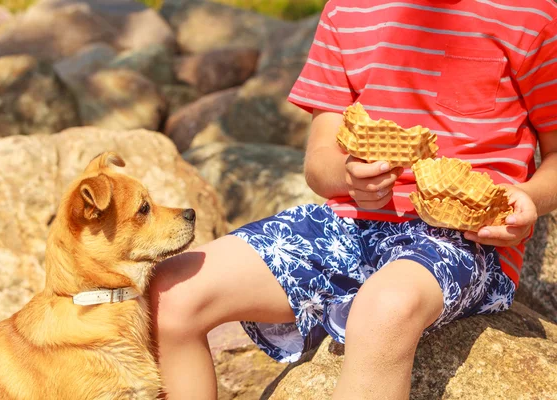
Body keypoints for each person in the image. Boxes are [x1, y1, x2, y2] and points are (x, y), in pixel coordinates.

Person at [149, 1, 557, 399]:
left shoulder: (531, 11)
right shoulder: (347, 10)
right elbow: (320, 162)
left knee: (383, 308)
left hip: (466, 240)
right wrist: (348, 175)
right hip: (349, 222)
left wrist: (529, 198)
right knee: (171, 292)